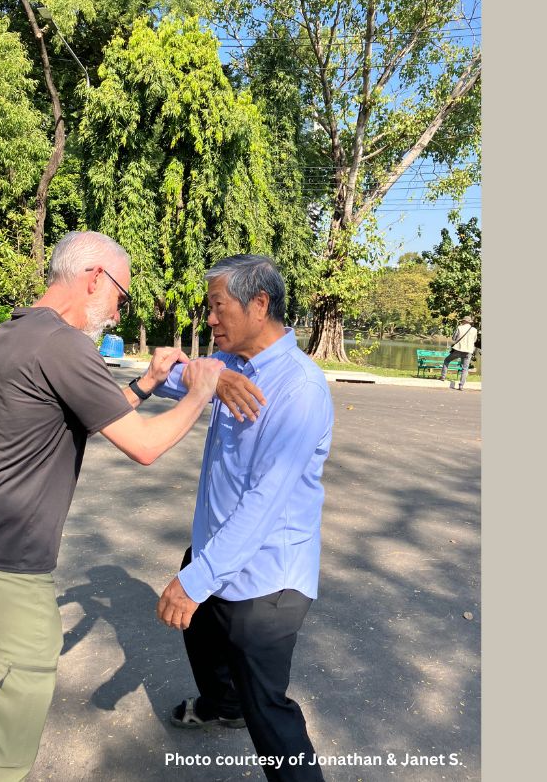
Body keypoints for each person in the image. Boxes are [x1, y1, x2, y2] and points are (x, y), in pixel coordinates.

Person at [0, 231, 256, 782]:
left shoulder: (13, 332)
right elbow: (145, 446)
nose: (115, 312)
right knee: (8, 729)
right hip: (10, 565)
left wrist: (149, 382)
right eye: (121, 298)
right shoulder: (65, 345)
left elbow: (83, 415)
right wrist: (201, 390)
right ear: (93, 278)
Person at [152, 254, 334, 782]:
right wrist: (204, 375)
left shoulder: (299, 389)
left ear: (259, 304)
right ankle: (221, 704)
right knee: (203, 640)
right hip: (214, 552)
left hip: (266, 581)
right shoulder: (232, 365)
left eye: (217, 307)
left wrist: (194, 583)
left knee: (270, 713)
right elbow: (169, 375)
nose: (210, 319)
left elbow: (264, 505)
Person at [439, 315, 478, 390]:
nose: (462, 322)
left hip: (458, 349)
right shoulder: (474, 330)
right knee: (465, 368)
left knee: (447, 360)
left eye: (463, 321)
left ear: (465, 321)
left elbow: (454, 338)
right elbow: (474, 340)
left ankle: (443, 377)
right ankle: (461, 385)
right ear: (469, 322)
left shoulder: (459, 328)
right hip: (468, 351)